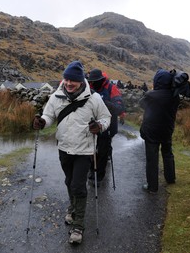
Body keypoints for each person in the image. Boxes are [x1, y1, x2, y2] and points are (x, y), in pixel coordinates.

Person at [32, 61, 111, 244]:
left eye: (72, 81)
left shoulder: (94, 98)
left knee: (78, 185)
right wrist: (42, 122)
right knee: (69, 181)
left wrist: (99, 126)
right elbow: (49, 115)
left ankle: (78, 226)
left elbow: (106, 117)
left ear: (81, 81)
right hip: (64, 148)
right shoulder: (56, 96)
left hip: (84, 150)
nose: (68, 83)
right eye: (66, 79)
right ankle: (73, 207)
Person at [139, 69, 180, 193]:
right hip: (167, 129)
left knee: (152, 158)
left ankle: (152, 187)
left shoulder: (151, 95)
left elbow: (141, 104)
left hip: (151, 131)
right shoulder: (175, 95)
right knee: (168, 153)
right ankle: (170, 178)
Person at [87, 68, 126, 187]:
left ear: (101, 79)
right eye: (91, 81)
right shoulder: (89, 87)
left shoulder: (111, 88)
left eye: (94, 81)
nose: (92, 84)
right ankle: (92, 170)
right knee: (91, 150)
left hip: (108, 126)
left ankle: (98, 177)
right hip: (92, 125)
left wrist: (108, 105)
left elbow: (119, 107)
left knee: (103, 152)